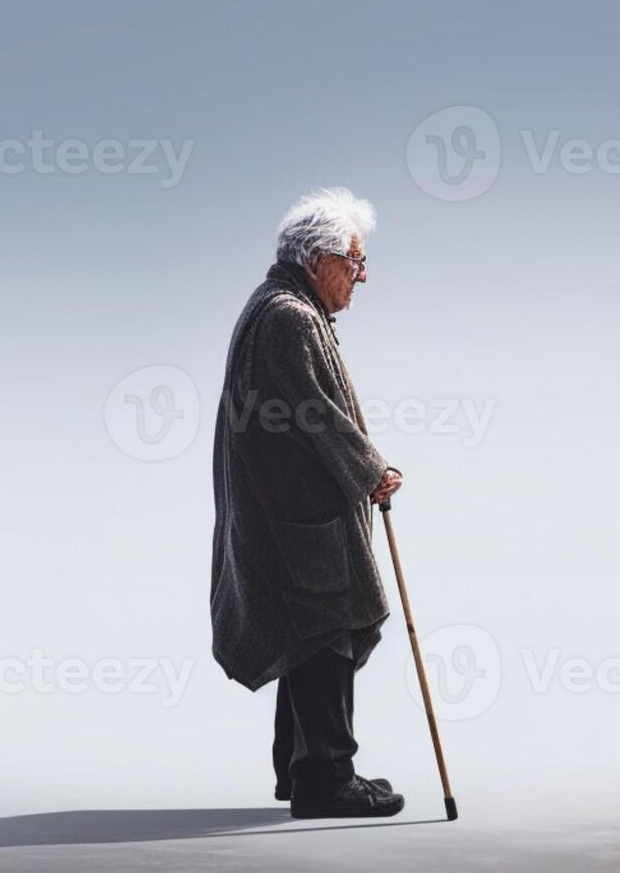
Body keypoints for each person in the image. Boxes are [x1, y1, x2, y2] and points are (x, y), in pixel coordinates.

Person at [209, 187, 406, 819]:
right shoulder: (289, 316)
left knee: (307, 632)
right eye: (354, 259)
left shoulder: (277, 307)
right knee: (326, 629)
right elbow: (316, 412)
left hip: (288, 514)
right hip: (298, 519)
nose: (361, 274)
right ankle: (325, 777)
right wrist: (371, 471)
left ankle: (299, 770)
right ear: (317, 258)